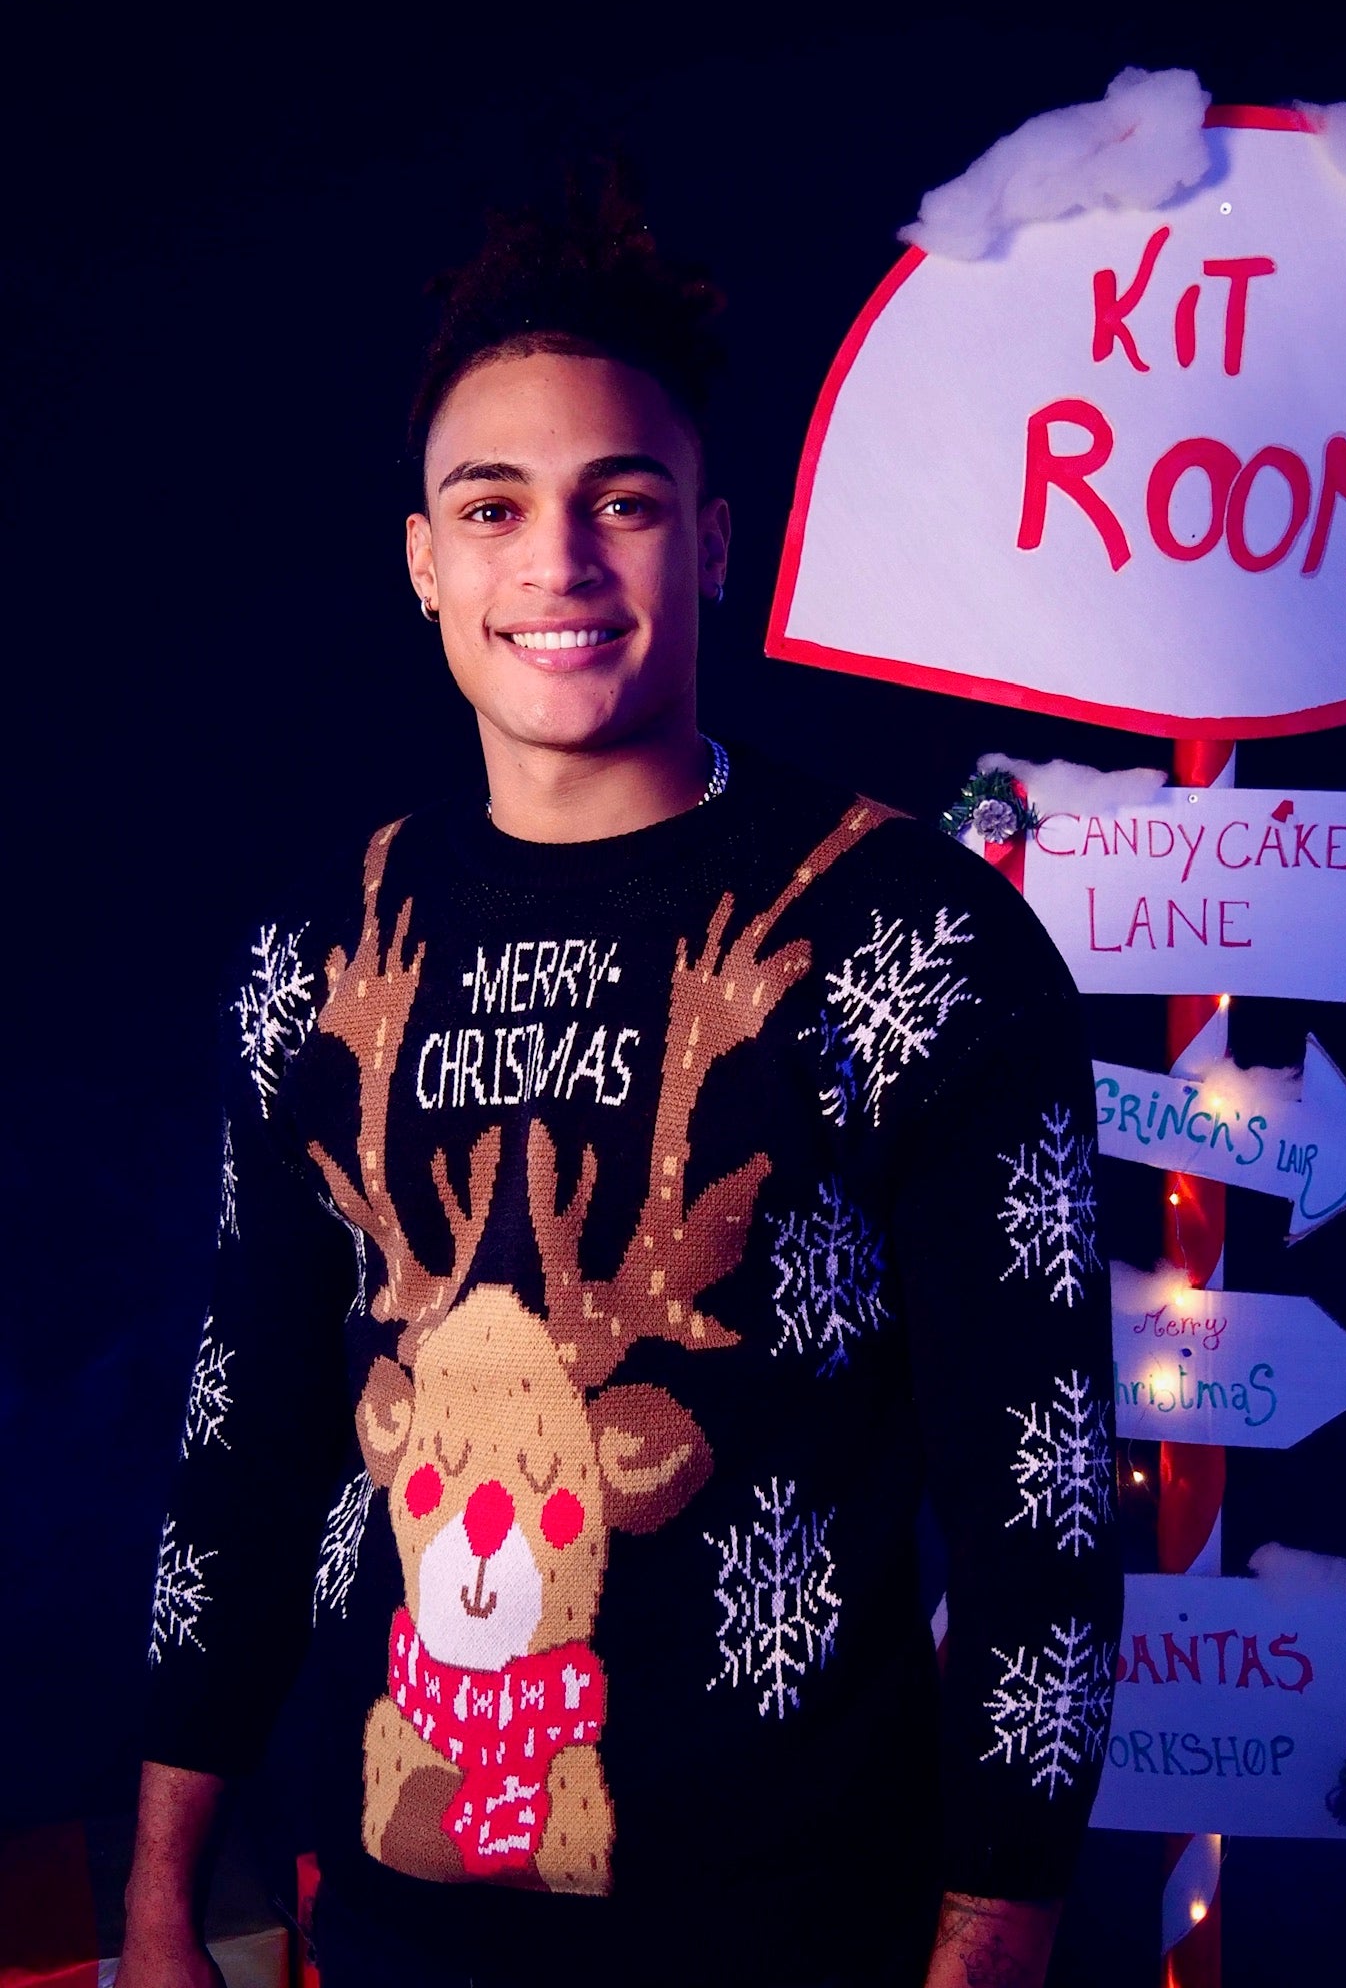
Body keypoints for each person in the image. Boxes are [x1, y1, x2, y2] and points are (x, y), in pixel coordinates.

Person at [120, 187, 1123, 1988]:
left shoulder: (915, 940)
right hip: (397, 1924)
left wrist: (991, 1946)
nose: (559, 563)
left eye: (624, 501)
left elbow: (1036, 1509)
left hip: (799, 1937)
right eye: (493, 507)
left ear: (712, 543)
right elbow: (244, 1434)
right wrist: (159, 1895)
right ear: (424, 561)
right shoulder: (319, 957)